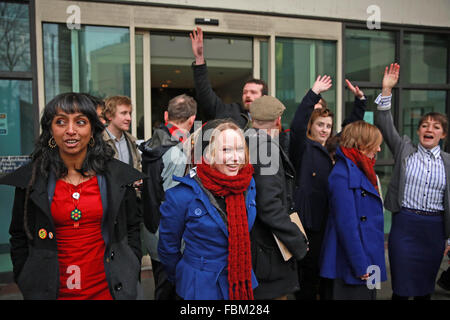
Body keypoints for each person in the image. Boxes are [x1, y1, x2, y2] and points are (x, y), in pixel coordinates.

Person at [0, 92, 143, 300]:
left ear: (93, 129)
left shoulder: (117, 176)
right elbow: (19, 235)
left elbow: (131, 227)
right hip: (52, 294)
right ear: (50, 129)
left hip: (108, 292)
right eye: (60, 122)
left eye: (80, 122)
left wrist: (131, 264)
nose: (70, 130)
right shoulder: (32, 179)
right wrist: (26, 277)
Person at [375, 63, 450, 300]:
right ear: (418, 131)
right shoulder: (404, 149)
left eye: (436, 127)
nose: (430, 129)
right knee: (401, 288)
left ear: (443, 134)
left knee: (424, 289)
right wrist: (386, 89)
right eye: (425, 125)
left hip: (434, 231)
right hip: (405, 225)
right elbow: (384, 122)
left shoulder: (449, 162)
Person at [158, 121, 257, 300]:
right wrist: (184, 276)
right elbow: (168, 249)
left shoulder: (247, 184)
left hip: (240, 285)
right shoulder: (182, 195)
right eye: (226, 150)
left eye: (240, 149)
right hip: (200, 289)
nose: (236, 158)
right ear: (209, 154)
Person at [289, 75, 367, 300]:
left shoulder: (334, 148)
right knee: (307, 277)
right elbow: (296, 126)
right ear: (311, 126)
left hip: (328, 222)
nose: (324, 129)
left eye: (328, 126)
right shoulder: (302, 147)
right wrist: (313, 92)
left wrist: (360, 101)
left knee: (325, 276)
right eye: (320, 125)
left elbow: (350, 129)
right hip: (307, 224)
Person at [247, 95, 308, 300]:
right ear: (278, 120)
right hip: (268, 254)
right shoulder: (265, 147)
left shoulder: (245, 140)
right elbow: (269, 205)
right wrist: (296, 239)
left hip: (253, 250)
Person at [319, 120, 387, 300]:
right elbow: (346, 226)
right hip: (353, 262)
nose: (379, 149)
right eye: (375, 144)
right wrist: (360, 264)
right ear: (360, 144)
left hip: (368, 255)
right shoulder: (342, 174)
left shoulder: (362, 168)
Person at [139, 93, 197, 300]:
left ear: (166, 116)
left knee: (161, 287)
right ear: (192, 121)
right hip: (169, 236)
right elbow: (175, 206)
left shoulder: (150, 143)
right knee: (171, 290)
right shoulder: (176, 153)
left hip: (151, 227)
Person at [190, 27, 267, 130]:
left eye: (253, 92)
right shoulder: (230, 112)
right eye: (245, 92)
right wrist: (199, 59)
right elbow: (206, 97)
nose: (247, 95)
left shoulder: (271, 120)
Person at [103, 95, 141, 171]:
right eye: (124, 113)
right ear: (109, 115)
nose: (129, 118)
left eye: (129, 113)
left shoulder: (132, 141)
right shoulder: (98, 141)